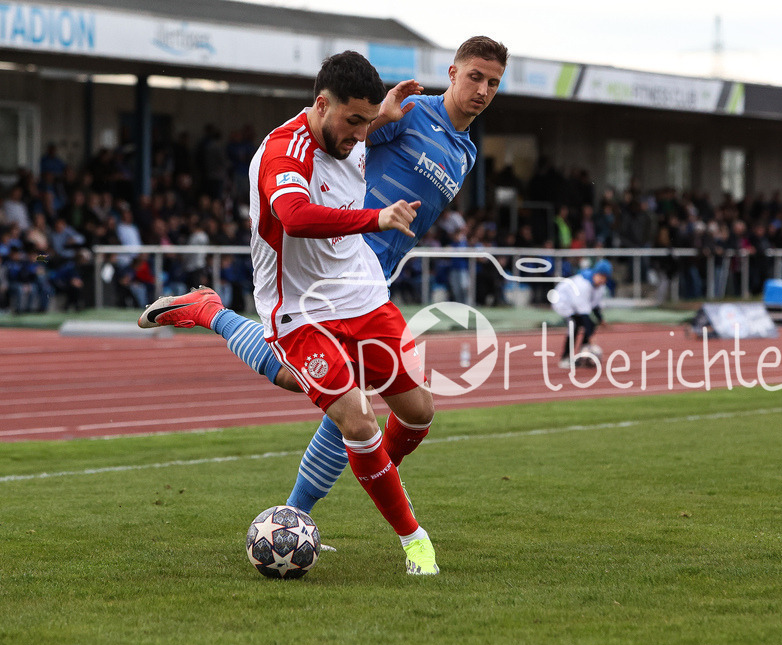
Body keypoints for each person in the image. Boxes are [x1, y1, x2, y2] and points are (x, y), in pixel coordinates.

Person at [139, 38, 507, 544]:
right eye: (474, 77)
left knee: (373, 404)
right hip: (323, 271)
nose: (482, 90)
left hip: (370, 278)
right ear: (452, 72)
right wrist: (378, 136)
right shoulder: (408, 112)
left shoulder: (465, 151)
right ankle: (309, 508)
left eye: (492, 82)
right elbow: (339, 143)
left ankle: (360, 476)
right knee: (345, 405)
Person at [550, 259, 612, 369]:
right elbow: (584, 314)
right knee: (574, 326)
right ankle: (565, 358)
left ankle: (582, 354)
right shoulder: (583, 285)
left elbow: (595, 306)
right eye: (601, 276)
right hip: (563, 302)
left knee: (591, 325)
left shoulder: (600, 288)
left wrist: (601, 320)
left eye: (605, 277)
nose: (602, 279)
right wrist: (591, 337)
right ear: (595, 273)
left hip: (576, 305)